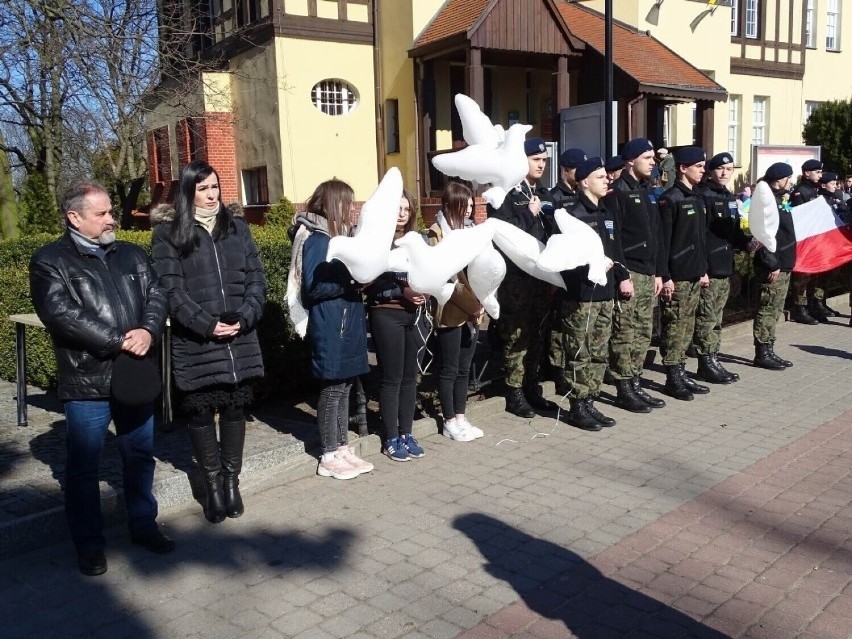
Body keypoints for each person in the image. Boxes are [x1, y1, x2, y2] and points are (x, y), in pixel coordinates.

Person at [30, 180, 173, 576]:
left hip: (135, 375)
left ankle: (143, 525)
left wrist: (147, 331)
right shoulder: (50, 260)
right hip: (86, 381)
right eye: (103, 213)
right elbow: (59, 313)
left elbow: (157, 293)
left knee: (139, 456)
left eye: (111, 211)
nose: (113, 219)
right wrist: (118, 340)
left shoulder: (130, 254)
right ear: (74, 217)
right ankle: (90, 545)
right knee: (83, 468)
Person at [151, 160, 266, 522]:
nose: (211, 194)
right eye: (202, 188)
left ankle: (232, 483)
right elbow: (171, 290)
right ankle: (212, 485)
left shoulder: (237, 229)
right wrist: (205, 325)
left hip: (239, 339)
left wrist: (245, 316)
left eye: (214, 186)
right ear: (188, 192)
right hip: (196, 342)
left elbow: (256, 280)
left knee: (234, 411)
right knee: (200, 413)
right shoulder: (168, 234)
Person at [293, 179, 374, 480]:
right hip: (330, 324)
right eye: (347, 203)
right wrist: (351, 282)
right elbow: (313, 287)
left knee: (345, 387)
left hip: (345, 321)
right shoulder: (318, 239)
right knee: (332, 388)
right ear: (332, 204)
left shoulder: (338, 237)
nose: (352, 209)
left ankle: (341, 446)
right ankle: (328, 454)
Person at [554, 157, 631, 431]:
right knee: (579, 351)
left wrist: (623, 276)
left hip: (605, 293)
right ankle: (577, 404)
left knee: (598, 351)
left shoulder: (605, 212)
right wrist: (590, 265)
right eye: (600, 177)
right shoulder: (573, 216)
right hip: (581, 296)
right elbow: (563, 259)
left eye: (605, 176)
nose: (607, 180)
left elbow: (615, 249)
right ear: (584, 181)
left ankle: (590, 400)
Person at [488, 138, 558, 417]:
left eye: (543, 160)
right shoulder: (504, 194)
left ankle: (531, 387)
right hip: (517, 280)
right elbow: (502, 232)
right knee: (516, 334)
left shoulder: (539, 191)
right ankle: (514, 391)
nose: (541, 165)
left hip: (540, 277)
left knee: (537, 334)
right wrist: (529, 215)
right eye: (535, 160)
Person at [364, 190, 428, 460]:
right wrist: (400, 292)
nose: (402, 213)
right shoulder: (377, 241)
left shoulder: (419, 240)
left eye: (406, 208)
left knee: (410, 377)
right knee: (391, 377)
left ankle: (407, 432)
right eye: (397, 208)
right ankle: (391, 436)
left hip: (415, 315)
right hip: (386, 314)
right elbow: (369, 282)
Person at [604, 138, 666, 413]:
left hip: (648, 272)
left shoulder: (648, 191)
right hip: (630, 272)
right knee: (624, 333)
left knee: (643, 332)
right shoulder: (617, 193)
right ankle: (623, 387)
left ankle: (636, 381)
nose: (653, 162)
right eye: (647, 157)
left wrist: (659, 273)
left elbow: (657, 235)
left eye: (653, 157)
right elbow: (612, 239)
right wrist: (622, 274)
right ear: (630, 161)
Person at [428, 183, 486, 442]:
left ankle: (461, 416)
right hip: (451, 310)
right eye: (466, 205)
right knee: (449, 368)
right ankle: (448, 420)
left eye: (472, 205)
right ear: (452, 205)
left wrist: (483, 300)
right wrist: (472, 304)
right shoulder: (437, 233)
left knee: (464, 368)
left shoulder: (473, 231)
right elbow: (446, 276)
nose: (470, 210)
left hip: (475, 308)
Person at [694, 152, 756, 384]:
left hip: (725, 266)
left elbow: (733, 231)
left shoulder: (728, 196)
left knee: (716, 317)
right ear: (711, 170)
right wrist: (703, 269)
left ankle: (712, 357)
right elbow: (699, 237)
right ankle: (706, 361)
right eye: (720, 168)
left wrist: (747, 242)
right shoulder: (704, 196)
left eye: (729, 169)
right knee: (707, 318)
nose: (724, 173)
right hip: (710, 268)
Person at [657, 147, 711, 401]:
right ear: (682, 168)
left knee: (687, 325)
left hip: (693, 273)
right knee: (674, 326)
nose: (703, 170)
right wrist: (665, 275)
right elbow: (664, 242)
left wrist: (702, 271)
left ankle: (681, 371)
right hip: (677, 275)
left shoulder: (697, 197)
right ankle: (672, 377)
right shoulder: (671, 198)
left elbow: (700, 240)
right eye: (698, 166)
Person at [752, 162, 797, 370]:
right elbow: (762, 235)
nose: (791, 182)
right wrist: (771, 263)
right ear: (779, 180)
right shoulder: (766, 200)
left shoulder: (778, 199)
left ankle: (769, 348)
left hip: (783, 263)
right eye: (789, 178)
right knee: (767, 309)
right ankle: (762, 353)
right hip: (773, 265)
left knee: (775, 309)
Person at [790, 159, 826, 324]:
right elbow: (800, 218)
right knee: (802, 277)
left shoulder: (815, 190)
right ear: (806, 173)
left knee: (814, 276)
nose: (820, 175)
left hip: (815, 241)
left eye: (820, 172)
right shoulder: (800, 192)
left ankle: (813, 305)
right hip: (805, 242)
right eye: (817, 172)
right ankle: (799, 308)